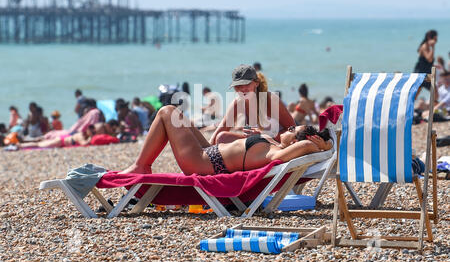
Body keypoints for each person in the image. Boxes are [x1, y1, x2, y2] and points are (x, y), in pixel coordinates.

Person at [118, 105, 331, 176]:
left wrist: (317, 144)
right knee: (177, 114)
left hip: (201, 162)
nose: (288, 128)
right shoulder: (274, 146)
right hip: (208, 152)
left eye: (293, 130)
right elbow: (225, 139)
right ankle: (142, 165)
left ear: (296, 142)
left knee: (167, 112)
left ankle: (141, 166)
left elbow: (306, 145)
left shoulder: (277, 153)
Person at [209, 64, 295, 145]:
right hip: (255, 147)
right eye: (238, 85)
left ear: (256, 83)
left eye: (246, 84)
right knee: (222, 137)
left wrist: (262, 135)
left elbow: (293, 130)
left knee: (222, 138)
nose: (242, 88)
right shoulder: (237, 102)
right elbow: (218, 132)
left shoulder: (270, 100)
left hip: (275, 145)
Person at [18, 125, 96, 149]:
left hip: (61, 140)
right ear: (87, 130)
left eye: (94, 132)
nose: (93, 133)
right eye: (92, 131)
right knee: (39, 145)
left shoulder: (82, 135)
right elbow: (84, 144)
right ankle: (21, 145)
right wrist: (91, 137)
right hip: (60, 141)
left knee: (40, 142)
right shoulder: (81, 136)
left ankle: (23, 143)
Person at [414, 30, 438, 99]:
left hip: (427, 73)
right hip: (421, 74)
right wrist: (433, 47)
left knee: (435, 94)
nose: (435, 41)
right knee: (415, 95)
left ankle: (431, 109)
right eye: (434, 39)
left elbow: (428, 62)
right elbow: (429, 59)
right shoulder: (424, 46)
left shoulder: (428, 47)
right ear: (429, 38)